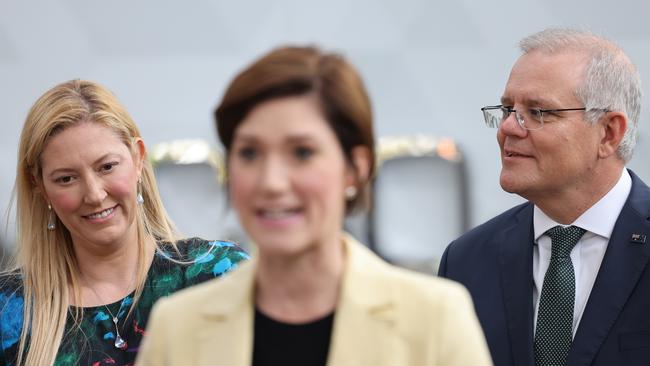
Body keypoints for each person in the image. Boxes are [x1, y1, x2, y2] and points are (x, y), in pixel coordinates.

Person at [136, 45, 492, 366]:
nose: (272, 182)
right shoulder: (177, 327)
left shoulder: (434, 318)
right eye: (249, 153)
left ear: (356, 168)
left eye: (302, 152)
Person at [0, 80, 249, 366]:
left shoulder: (218, 274)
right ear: (40, 186)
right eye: (66, 178)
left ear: (138, 158)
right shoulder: (9, 310)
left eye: (107, 167)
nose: (94, 194)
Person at [438, 28, 647, 366]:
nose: (507, 128)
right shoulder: (466, 260)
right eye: (507, 109)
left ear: (609, 133)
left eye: (538, 112)